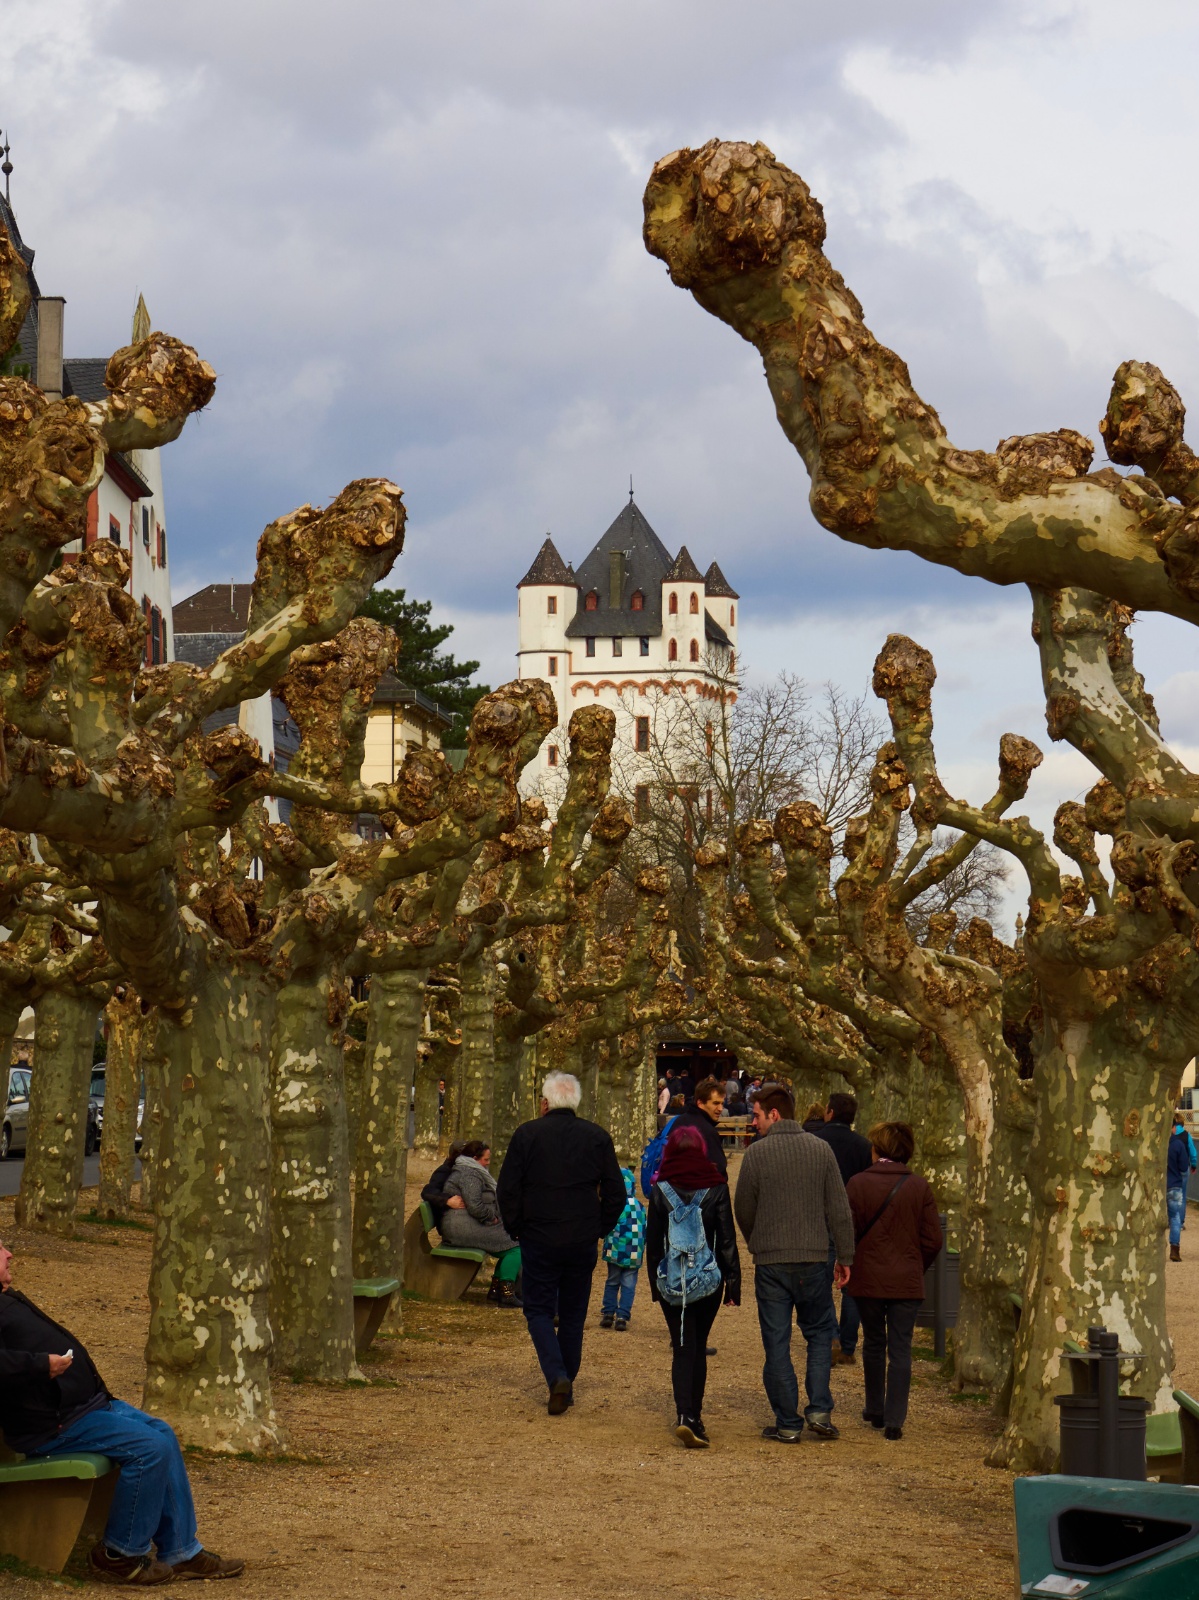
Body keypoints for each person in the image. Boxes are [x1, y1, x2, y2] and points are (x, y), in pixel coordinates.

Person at [0, 1239, 243, 1586]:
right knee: (148, 1450)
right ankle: (119, 1554)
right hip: (54, 1425)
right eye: (1, 1249)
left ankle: (181, 1552)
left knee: (163, 1434)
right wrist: (39, 1365)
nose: (10, 1254)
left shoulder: (5, 1297)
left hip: (85, 1407)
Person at [497, 1071, 626, 1415]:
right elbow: (617, 1191)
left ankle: (557, 1375)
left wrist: (516, 1227)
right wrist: (600, 1227)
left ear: (545, 1102)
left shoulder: (527, 1135)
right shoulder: (596, 1137)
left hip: (539, 1235)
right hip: (581, 1237)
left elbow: (507, 1188)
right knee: (572, 1314)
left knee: (538, 1310)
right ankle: (565, 1381)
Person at [734, 1083, 854, 1443]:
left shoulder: (756, 1154)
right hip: (814, 1257)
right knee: (819, 1334)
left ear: (774, 1114)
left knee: (777, 1341)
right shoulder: (821, 1151)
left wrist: (758, 1241)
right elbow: (839, 1209)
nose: (752, 1122)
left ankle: (787, 1420)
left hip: (772, 1261)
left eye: (756, 1115)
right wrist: (845, 1256)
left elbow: (743, 1208)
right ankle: (819, 1408)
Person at [845, 1122, 943, 1440]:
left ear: (877, 1150)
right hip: (906, 1278)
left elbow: (848, 1232)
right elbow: (933, 1239)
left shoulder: (857, 1183)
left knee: (873, 1342)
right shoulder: (919, 1186)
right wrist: (916, 1264)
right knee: (901, 1347)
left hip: (868, 1276)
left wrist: (849, 1261)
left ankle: (874, 1407)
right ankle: (895, 1418)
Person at [646, 1126, 740, 1447]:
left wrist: (655, 1287)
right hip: (707, 1280)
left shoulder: (660, 1190)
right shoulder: (716, 1186)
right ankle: (695, 1417)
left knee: (681, 1345)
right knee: (699, 1345)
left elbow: (653, 1244)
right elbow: (727, 1239)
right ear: (701, 1151)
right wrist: (733, 1283)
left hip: (673, 1282)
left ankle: (684, 1413)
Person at [810, 1093, 874, 1366]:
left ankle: (830, 1335)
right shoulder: (863, 1146)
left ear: (830, 1112)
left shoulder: (814, 1142)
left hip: (821, 1216)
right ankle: (848, 1345)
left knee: (822, 1281)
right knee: (851, 1284)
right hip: (852, 1218)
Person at [439, 1140, 523, 1306]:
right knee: (516, 1246)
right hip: (461, 1226)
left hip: (464, 1223)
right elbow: (475, 1206)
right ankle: (505, 1293)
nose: (488, 1163)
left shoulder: (472, 1171)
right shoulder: (469, 1174)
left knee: (513, 1242)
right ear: (475, 1158)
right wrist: (492, 1216)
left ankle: (496, 1290)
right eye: (485, 1159)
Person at [600, 1166, 646, 1330]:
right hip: (634, 1252)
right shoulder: (640, 1206)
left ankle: (608, 1312)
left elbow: (606, 1225)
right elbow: (644, 1228)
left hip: (616, 1250)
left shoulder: (614, 1204)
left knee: (612, 1281)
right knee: (629, 1284)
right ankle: (622, 1316)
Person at [669, 1076, 728, 1176]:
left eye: (722, 1103)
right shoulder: (707, 1130)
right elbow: (719, 1168)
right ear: (700, 1103)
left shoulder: (678, 1121)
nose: (720, 1108)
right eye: (716, 1103)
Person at [1168, 1115, 1192, 1261]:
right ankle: (1174, 1249)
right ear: (1173, 1127)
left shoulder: (1155, 1144)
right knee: (1175, 1217)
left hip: (1157, 1186)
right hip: (1174, 1184)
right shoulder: (1177, 1145)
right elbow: (1184, 1167)